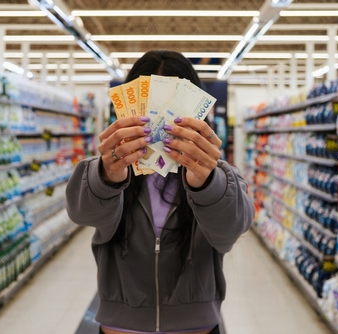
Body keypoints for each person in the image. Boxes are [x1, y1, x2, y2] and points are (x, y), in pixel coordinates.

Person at [66, 50, 254, 334]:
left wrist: (206, 183)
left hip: (196, 325)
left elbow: (230, 231)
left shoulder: (218, 174)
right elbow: (82, 213)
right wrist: (106, 176)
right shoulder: (111, 169)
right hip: (120, 325)